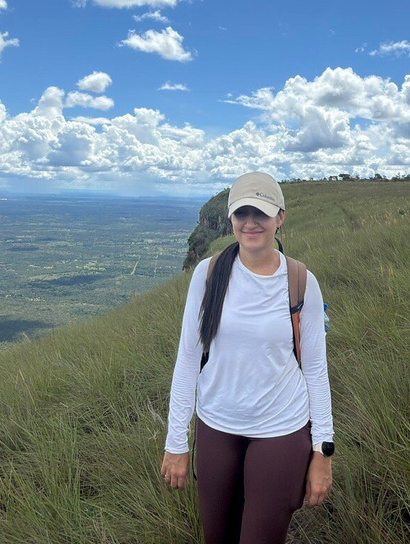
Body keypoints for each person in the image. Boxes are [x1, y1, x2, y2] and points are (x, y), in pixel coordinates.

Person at [161, 171, 335, 544]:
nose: (251, 223)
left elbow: (316, 371)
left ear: (280, 217)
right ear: (231, 219)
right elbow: (188, 361)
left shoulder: (301, 281)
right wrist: (176, 443)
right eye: (242, 214)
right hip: (216, 426)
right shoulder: (207, 275)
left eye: (261, 213)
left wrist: (323, 451)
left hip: (281, 430)